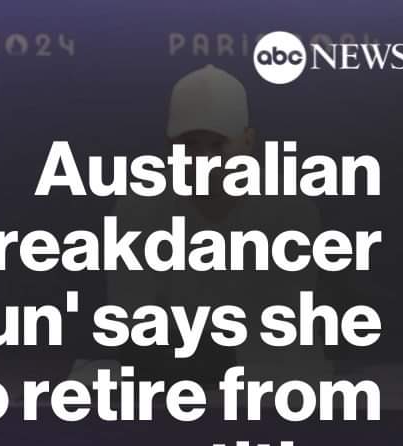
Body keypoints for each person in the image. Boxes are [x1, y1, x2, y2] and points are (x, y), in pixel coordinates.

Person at [107, 64, 332, 386]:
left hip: (275, 387)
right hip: (171, 387)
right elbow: (132, 329)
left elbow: (284, 333)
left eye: (218, 145)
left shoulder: (288, 209)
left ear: (247, 142)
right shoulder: (138, 209)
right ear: (170, 147)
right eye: (190, 146)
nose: (204, 160)